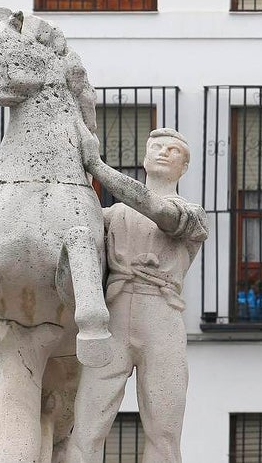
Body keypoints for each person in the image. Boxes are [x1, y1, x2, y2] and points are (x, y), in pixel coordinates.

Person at [70, 126, 208, 463]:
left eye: (173, 150)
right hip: (113, 316)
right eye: (156, 147)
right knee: (85, 428)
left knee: (164, 433)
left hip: (162, 318)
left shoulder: (193, 215)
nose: (163, 152)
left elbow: (157, 210)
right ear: (145, 159)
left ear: (184, 167)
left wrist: (97, 167)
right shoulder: (111, 215)